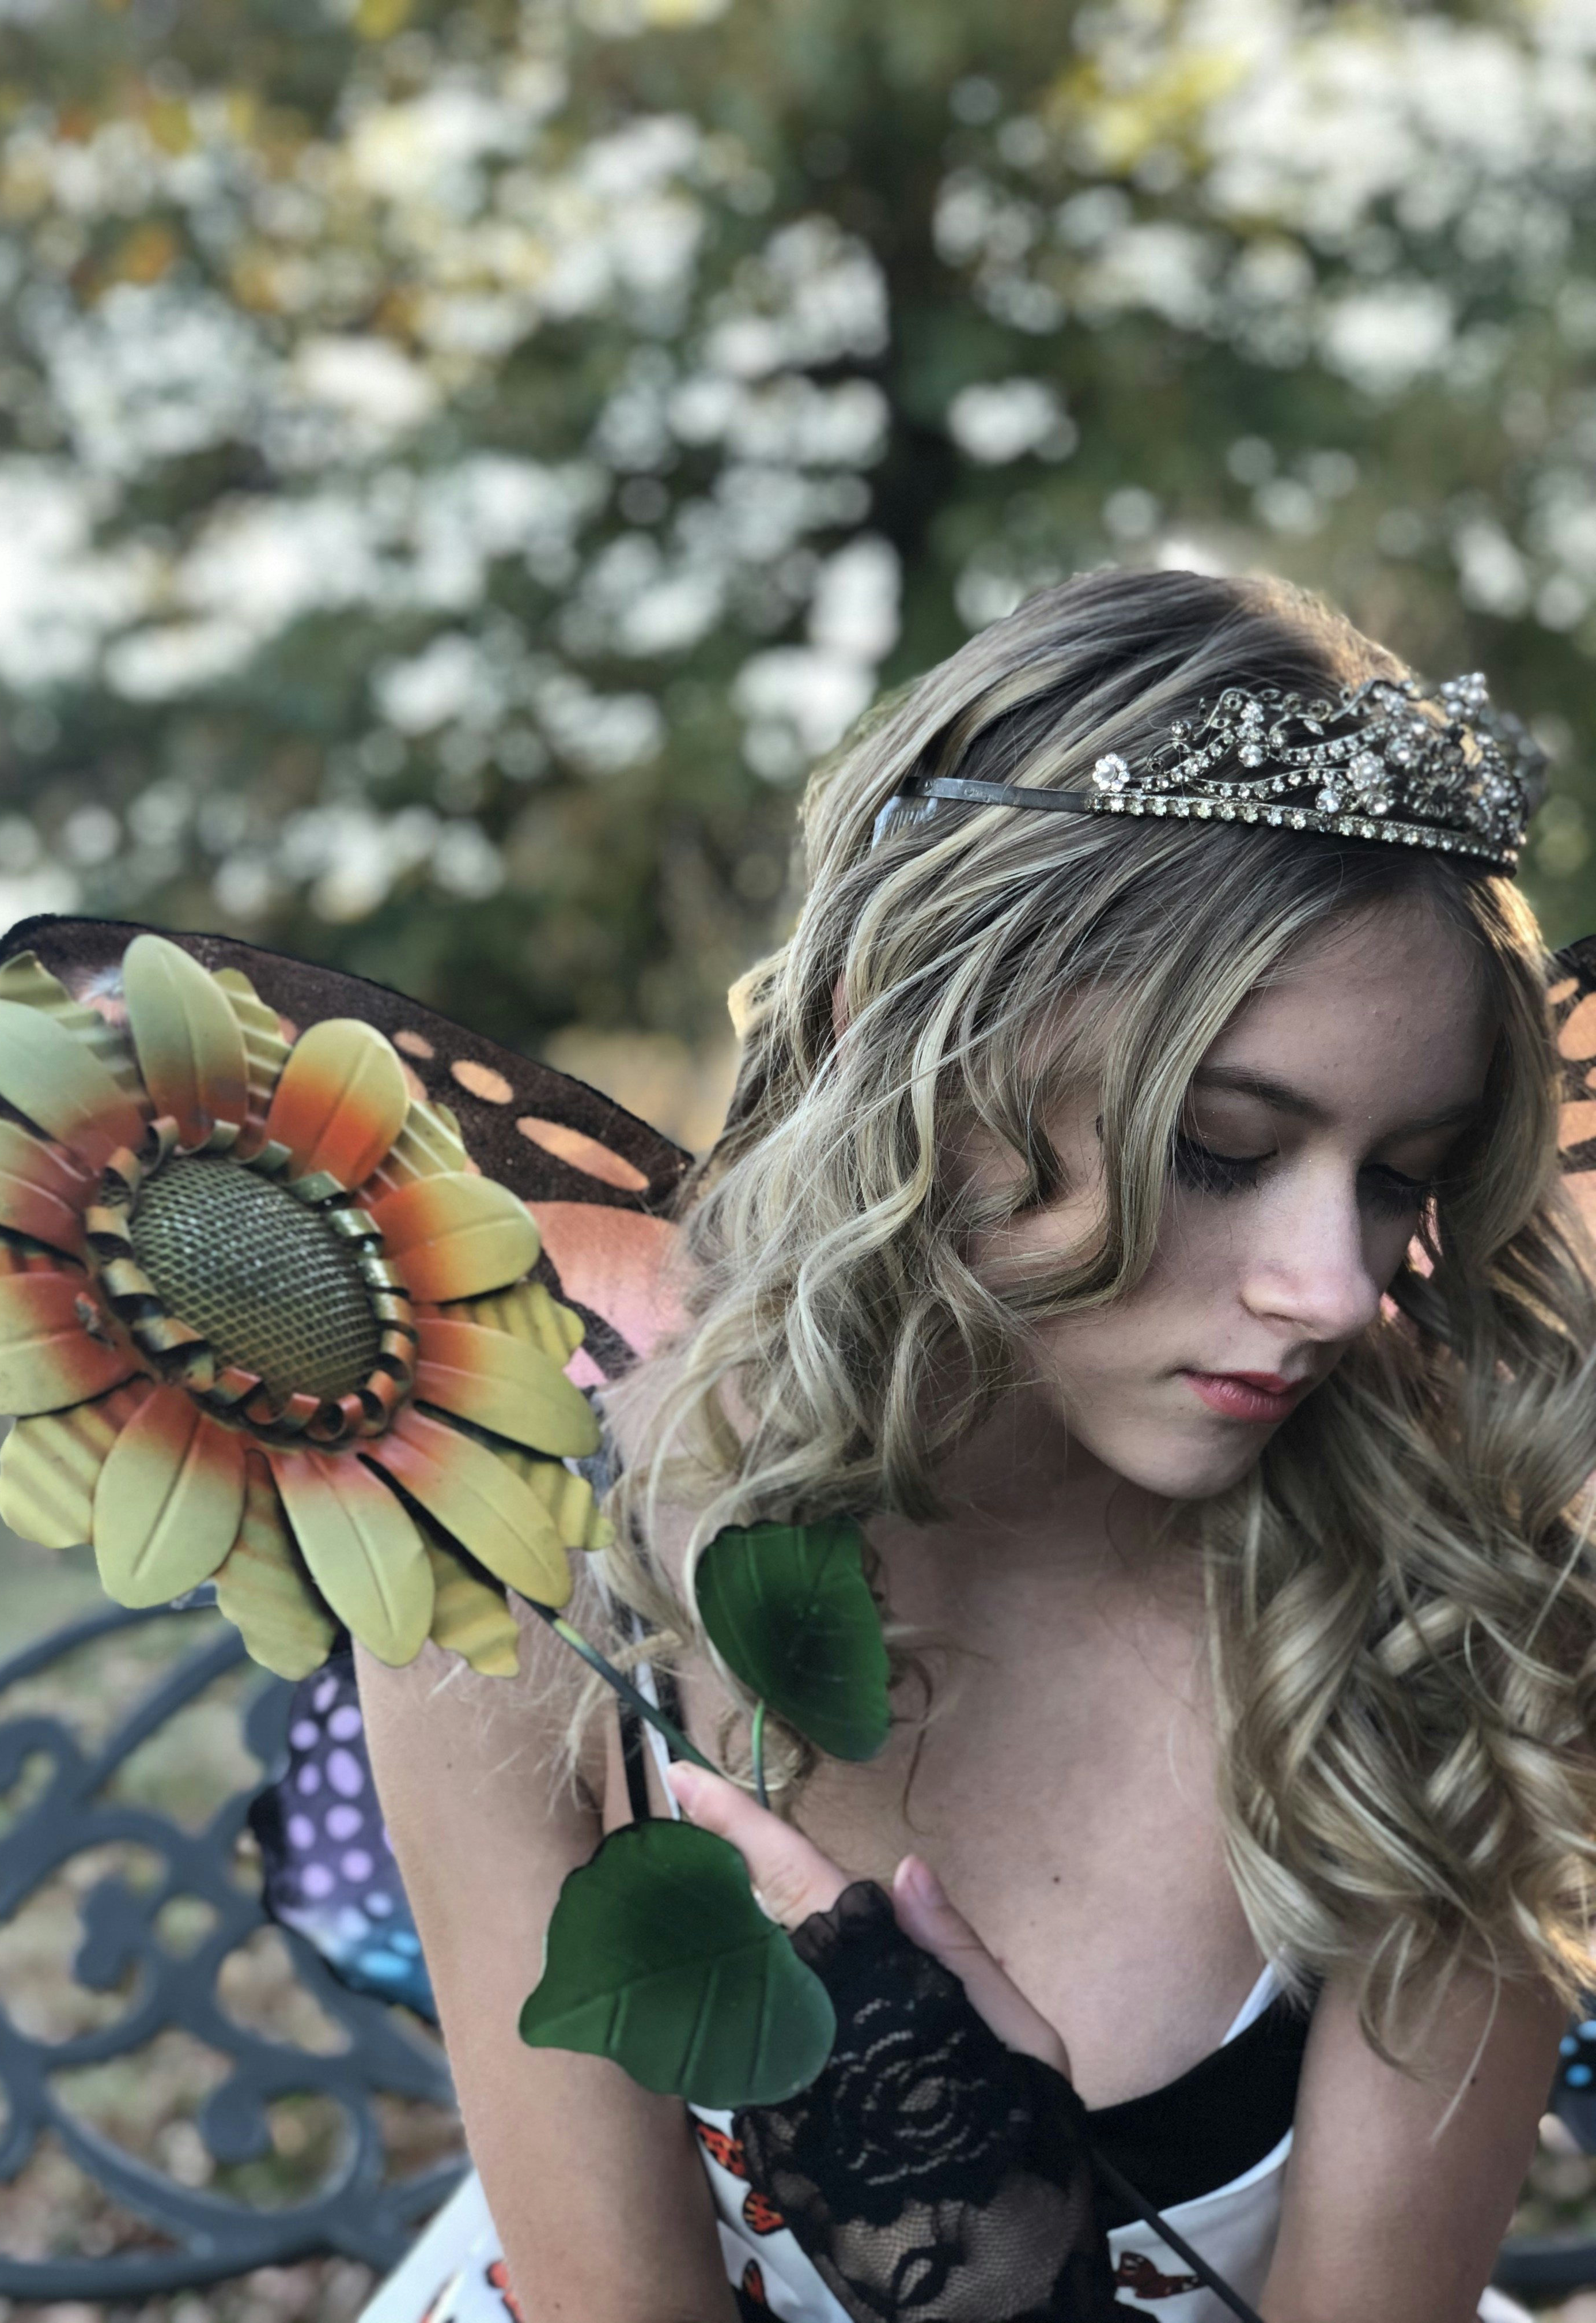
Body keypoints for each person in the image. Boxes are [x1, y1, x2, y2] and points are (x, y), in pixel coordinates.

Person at [355, 567, 1596, 2323]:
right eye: (1224, 1149)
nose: (1334, 1288)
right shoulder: (542, 1557)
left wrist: (1013, 2280)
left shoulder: (1441, 1598)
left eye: (1404, 1172)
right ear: (907, 1046)